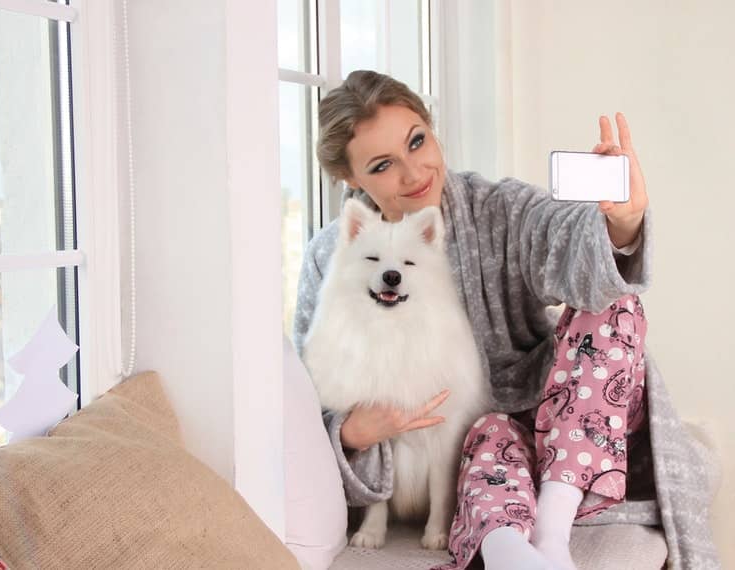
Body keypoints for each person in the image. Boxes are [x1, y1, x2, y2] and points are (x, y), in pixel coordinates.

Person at [292, 70, 720, 569]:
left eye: (417, 141)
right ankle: (514, 551)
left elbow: (560, 235)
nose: (413, 172)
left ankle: (554, 530)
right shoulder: (330, 257)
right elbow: (310, 395)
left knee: (612, 304)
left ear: (431, 127)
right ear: (350, 177)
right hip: (470, 448)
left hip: (556, 415)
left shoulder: (497, 208)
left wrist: (620, 223)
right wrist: (350, 432)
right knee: (489, 439)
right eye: (383, 165)